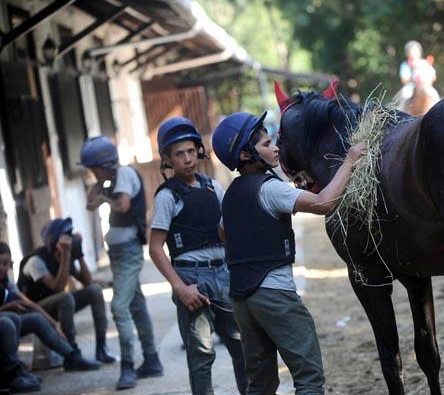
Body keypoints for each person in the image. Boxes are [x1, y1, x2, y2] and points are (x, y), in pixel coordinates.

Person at [212, 111, 366, 394]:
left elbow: (223, 231)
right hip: (275, 294)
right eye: (266, 144)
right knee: (309, 378)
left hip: (242, 299)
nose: (275, 148)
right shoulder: (271, 189)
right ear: (246, 154)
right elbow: (323, 202)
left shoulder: (231, 193)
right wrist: (350, 160)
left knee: (259, 383)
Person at [149, 117, 247, 394]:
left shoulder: (212, 187)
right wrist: (180, 288)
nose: (187, 158)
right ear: (167, 158)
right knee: (201, 356)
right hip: (192, 279)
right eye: (179, 154)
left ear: (199, 151)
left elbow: (226, 230)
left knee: (242, 346)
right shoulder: (167, 197)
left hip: (224, 273)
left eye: (191, 151)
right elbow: (155, 248)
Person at [80, 136, 162, 390]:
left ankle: (128, 366)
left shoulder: (124, 173)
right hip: (117, 253)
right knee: (136, 306)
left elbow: (123, 206)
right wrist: (100, 188)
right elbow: (89, 205)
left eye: (94, 168)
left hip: (128, 252)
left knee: (119, 307)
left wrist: (104, 195)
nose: (92, 173)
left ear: (105, 163)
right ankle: (152, 360)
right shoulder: (109, 180)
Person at [1, 241, 101, 393]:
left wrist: (54, 324)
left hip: (20, 315)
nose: (2, 268)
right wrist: (7, 307)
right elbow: (58, 288)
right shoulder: (37, 261)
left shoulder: (6, 282)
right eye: (0, 263)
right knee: (8, 322)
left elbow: (26, 303)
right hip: (7, 320)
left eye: (6, 264)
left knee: (35, 318)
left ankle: (72, 356)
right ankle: (11, 373)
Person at [17, 218, 113, 365]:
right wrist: (66, 256)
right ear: (53, 240)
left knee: (94, 290)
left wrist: (79, 255)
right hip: (33, 310)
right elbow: (58, 288)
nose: (69, 239)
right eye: (65, 236)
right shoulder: (36, 261)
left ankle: (102, 348)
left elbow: (88, 283)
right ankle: (72, 354)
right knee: (65, 297)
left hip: (57, 305)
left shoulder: (67, 255)